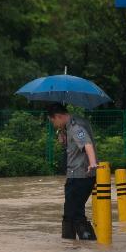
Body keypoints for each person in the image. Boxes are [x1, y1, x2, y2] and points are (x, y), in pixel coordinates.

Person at [46, 103, 98, 241]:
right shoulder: (71, 126)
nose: (54, 124)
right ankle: (69, 246)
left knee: (75, 213)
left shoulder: (75, 126)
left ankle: (89, 244)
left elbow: (87, 144)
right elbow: (76, 148)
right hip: (76, 175)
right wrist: (64, 141)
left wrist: (93, 163)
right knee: (70, 213)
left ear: (58, 116)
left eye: (53, 121)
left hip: (80, 175)